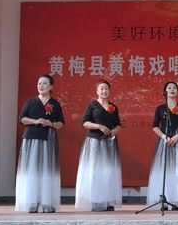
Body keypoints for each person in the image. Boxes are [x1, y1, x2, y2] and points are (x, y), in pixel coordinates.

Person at [15, 74, 64, 213]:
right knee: (32, 170)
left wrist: (51, 124)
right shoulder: (31, 101)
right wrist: (35, 121)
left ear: (51, 86)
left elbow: (61, 123)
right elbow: (22, 118)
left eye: (44, 83)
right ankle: (32, 202)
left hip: (48, 138)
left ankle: (47, 202)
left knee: (47, 170)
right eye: (39, 83)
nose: (41, 86)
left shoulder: (55, 104)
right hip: (32, 139)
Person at [75, 79, 122, 212]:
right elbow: (84, 123)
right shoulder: (92, 105)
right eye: (101, 89)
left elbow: (118, 124)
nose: (104, 91)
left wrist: (114, 131)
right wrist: (99, 126)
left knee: (107, 171)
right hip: (94, 141)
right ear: (97, 91)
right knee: (95, 171)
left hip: (109, 142)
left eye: (106, 88)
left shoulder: (113, 107)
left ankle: (106, 200)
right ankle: (96, 200)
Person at [146, 81, 178, 210]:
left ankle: (176, 200)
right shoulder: (161, 109)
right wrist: (164, 137)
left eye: (174, 88)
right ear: (165, 92)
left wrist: (177, 136)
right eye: (169, 88)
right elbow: (155, 126)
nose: (172, 90)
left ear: (177, 92)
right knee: (164, 169)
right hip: (164, 139)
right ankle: (164, 200)